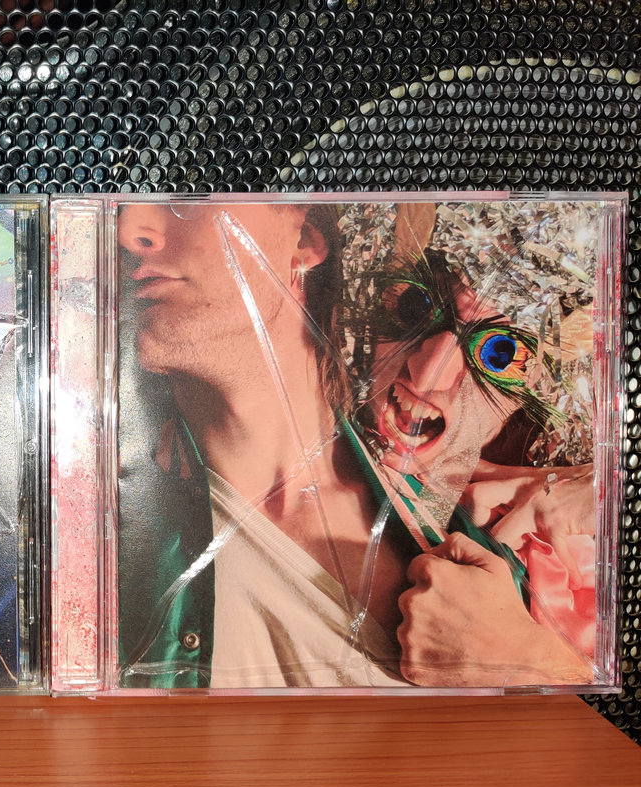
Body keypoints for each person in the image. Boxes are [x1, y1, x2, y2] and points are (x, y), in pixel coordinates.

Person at [116, 199, 598, 688]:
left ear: (307, 237)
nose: (427, 373)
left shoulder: (528, 560)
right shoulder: (105, 521)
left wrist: (536, 662)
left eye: (500, 353)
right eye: (415, 308)